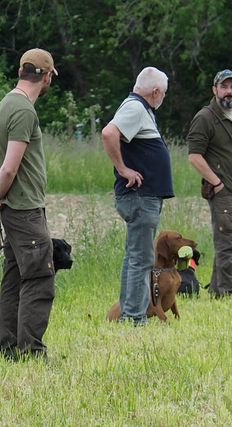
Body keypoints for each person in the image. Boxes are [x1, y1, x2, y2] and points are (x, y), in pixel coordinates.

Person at [0, 48, 57, 359]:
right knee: (39, 279)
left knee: (14, 279)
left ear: (21, 71)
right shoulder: (23, 111)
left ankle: (8, 348)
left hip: (14, 209)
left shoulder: (6, 103)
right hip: (24, 210)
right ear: (46, 77)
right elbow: (9, 167)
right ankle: (31, 351)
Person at [102, 67, 174, 325]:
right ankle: (134, 318)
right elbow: (109, 133)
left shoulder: (140, 108)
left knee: (134, 257)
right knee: (142, 259)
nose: (163, 97)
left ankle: (127, 314)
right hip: (140, 197)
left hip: (143, 197)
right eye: (163, 93)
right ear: (155, 91)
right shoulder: (135, 107)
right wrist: (123, 169)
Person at [187, 69, 232, 298]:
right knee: (227, 244)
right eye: (224, 86)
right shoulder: (205, 117)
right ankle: (226, 293)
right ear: (215, 90)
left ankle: (216, 288)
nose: (229, 91)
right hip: (223, 192)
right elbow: (194, 156)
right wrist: (217, 184)